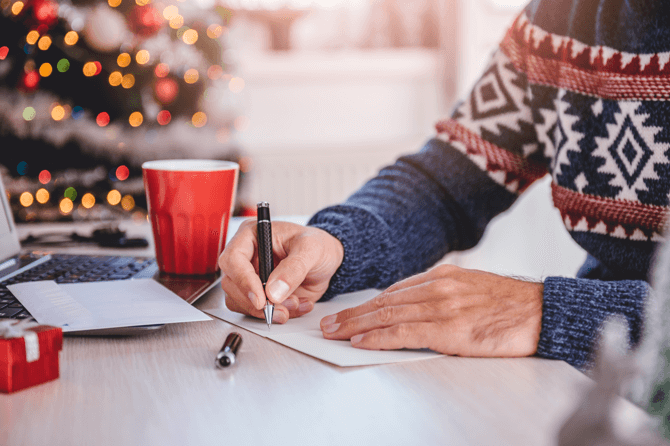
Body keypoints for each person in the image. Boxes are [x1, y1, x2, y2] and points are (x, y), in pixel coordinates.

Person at [219, 0, 670, 369]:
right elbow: (447, 183)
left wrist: (551, 311)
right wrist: (336, 243)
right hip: (599, 382)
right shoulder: (559, 17)